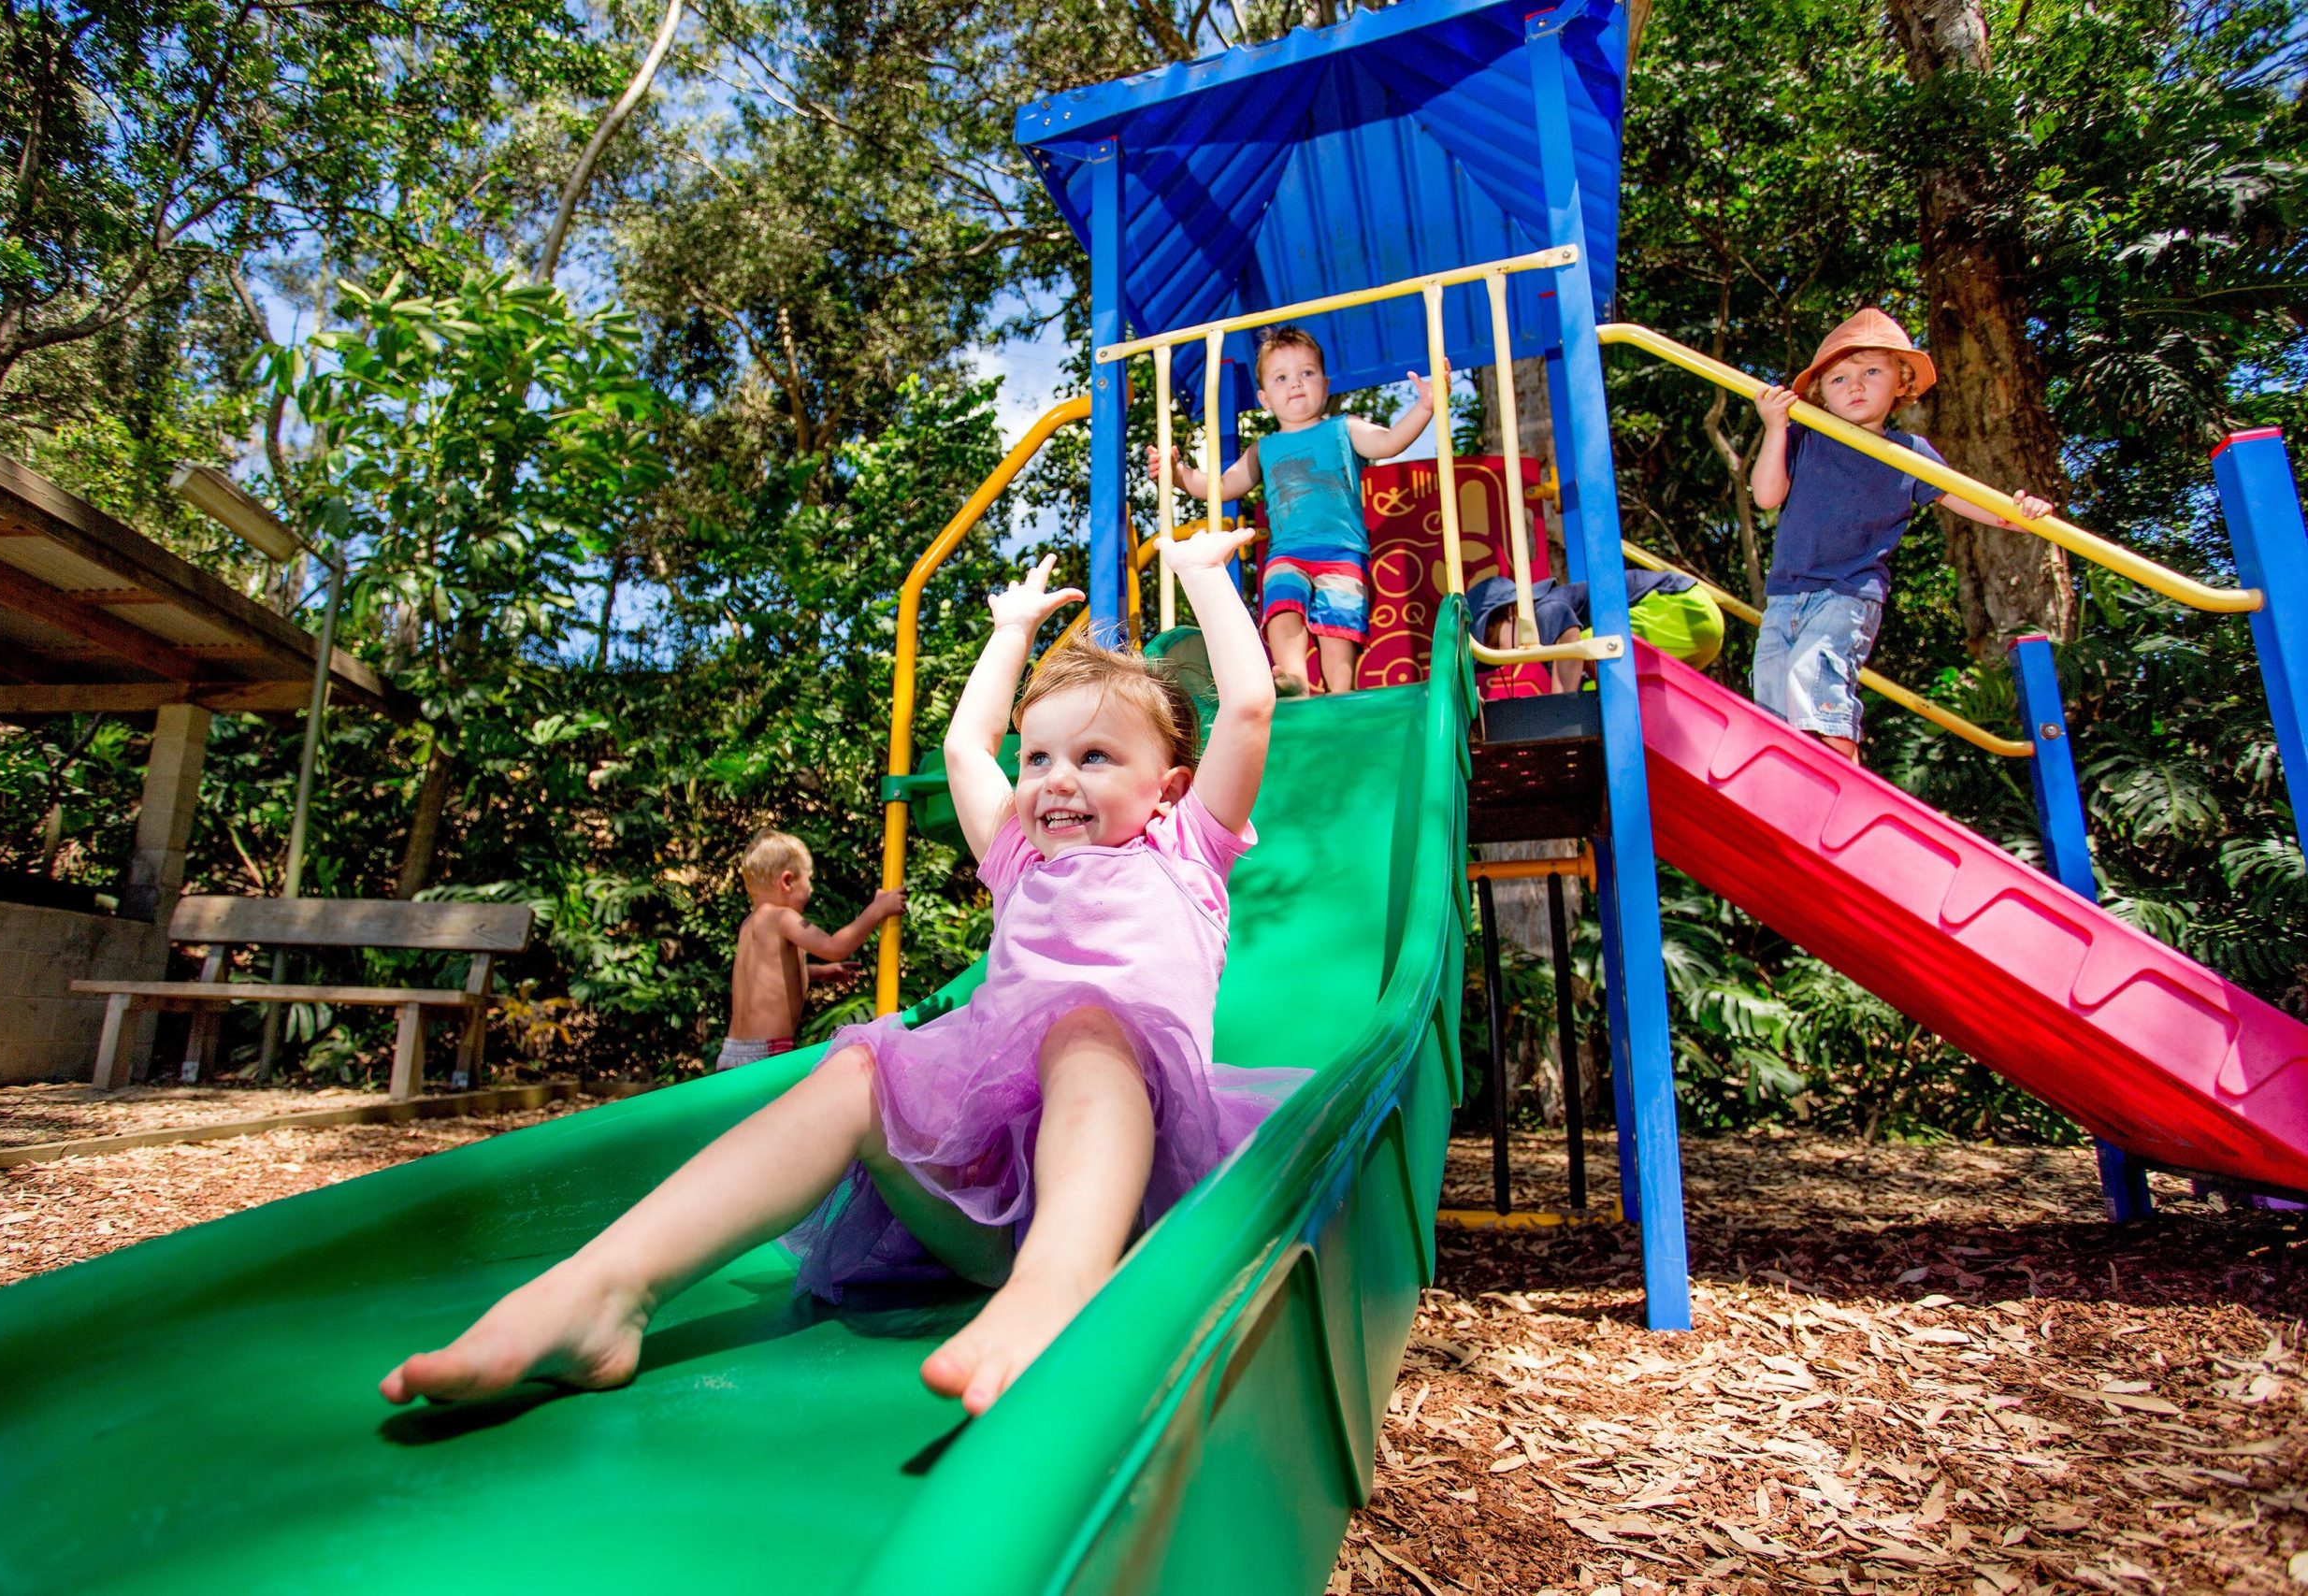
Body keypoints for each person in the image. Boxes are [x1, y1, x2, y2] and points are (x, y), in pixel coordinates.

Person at [380, 529, 1291, 1419]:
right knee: (862, 1065)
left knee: (1086, 1028)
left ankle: (1061, 1286)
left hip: (1129, 1199)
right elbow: (965, 749)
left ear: (1169, 788)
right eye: (1039, 758)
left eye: (1094, 757)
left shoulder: (1183, 851)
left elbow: (1248, 708)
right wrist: (1010, 631)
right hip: (981, 1210)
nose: (1055, 779)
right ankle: (604, 1288)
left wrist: (1202, 575)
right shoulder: (1019, 859)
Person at [1751, 309, 2053, 762]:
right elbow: (1766, 495)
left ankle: (1844, 782)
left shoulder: (1909, 453)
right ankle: (1792, 786)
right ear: (1820, 394)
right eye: (1839, 379)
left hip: (1847, 592)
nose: (1855, 386)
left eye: (1871, 372)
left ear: (1901, 382)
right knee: (1773, 697)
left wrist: (2018, 513)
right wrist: (1776, 428)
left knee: (1814, 677)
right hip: (1785, 595)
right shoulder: (1805, 439)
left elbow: (1962, 496)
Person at [1149, 326, 1443, 696]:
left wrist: (1425, 406)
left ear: (1325, 383)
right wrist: (1178, 473)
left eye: (1307, 372)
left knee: (1339, 627)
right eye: (1281, 378)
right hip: (1287, 553)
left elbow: (1388, 442)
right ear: (1264, 398)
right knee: (1283, 608)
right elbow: (1221, 487)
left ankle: (1340, 693)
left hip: (1342, 552)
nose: (1296, 384)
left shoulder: (1344, 429)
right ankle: (1294, 679)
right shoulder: (1264, 449)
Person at [714, 830, 903, 1071]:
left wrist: (821, 972)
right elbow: (834, 947)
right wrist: (878, 910)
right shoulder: (782, 917)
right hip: (766, 1055)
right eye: (809, 879)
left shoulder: (750, 924)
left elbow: (770, 978)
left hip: (731, 1052)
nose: (811, 889)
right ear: (787, 881)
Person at [1466, 568, 1724, 693]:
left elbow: (1570, 641)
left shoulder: (1543, 610)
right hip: (1695, 639)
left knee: (1592, 646)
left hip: (1683, 607)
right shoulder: (1544, 637)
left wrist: (1562, 710)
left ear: (1511, 611)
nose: (1504, 655)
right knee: (1588, 684)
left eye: (1496, 643)